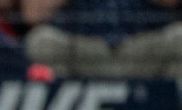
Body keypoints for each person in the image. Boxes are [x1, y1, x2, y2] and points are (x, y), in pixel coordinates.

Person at [23, 0, 182, 80]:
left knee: (179, 36)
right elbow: (33, 13)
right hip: (83, 47)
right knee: (42, 40)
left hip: (140, 46)